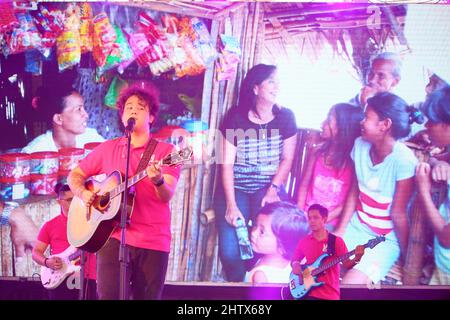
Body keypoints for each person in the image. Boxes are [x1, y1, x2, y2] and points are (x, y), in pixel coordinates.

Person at [68, 81, 181, 300]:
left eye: (141, 107)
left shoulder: (167, 151)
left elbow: (166, 195)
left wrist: (157, 180)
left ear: (151, 117)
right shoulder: (108, 148)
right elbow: (75, 176)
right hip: (113, 236)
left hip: (152, 239)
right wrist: (84, 194)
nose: (134, 110)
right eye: (129, 107)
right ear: (122, 117)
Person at [215, 64, 298, 282]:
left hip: (267, 187)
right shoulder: (235, 118)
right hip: (236, 189)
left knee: (276, 240)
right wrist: (231, 205)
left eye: (277, 81)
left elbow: (287, 159)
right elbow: (226, 165)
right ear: (255, 88)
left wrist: (273, 190)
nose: (276, 86)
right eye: (271, 81)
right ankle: (238, 288)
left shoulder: (286, 117)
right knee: (230, 252)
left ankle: (268, 282)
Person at [334, 92, 425, 285]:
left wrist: (406, 253)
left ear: (384, 125)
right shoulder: (359, 145)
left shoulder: (403, 161)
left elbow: (398, 214)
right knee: (313, 268)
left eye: (367, 117)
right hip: (355, 227)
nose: (362, 121)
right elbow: (354, 191)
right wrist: (340, 230)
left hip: (383, 241)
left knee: (349, 287)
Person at [297, 103, 363, 230]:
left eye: (329, 120)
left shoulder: (353, 162)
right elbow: (304, 184)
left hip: (330, 221)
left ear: (342, 127)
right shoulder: (317, 152)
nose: (323, 124)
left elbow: (347, 202)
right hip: (305, 214)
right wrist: (299, 213)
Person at [31, 183, 97, 300]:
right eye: (70, 200)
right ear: (59, 202)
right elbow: (36, 252)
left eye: (77, 198)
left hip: (88, 276)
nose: (75, 202)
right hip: (59, 277)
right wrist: (47, 262)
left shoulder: (91, 221)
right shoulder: (50, 225)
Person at [291, 204, 364, 300]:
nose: (312, 221)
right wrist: (296, 265)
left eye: (316, 217)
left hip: (330, 295)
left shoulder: (336, 241)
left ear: (324, 219)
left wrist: (357, 258)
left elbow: (347, 265)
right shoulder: (304, 241)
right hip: (308, 294)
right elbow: (295, 259)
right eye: (309, 218)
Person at [415, 86, 450, 285]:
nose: (426, 125)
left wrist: (423, 191)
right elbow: (438, 158)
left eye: (432, 121)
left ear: (448, 125)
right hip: (443, 263)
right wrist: (438, 163)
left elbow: (446, 237)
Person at [22, 85, 104, 153]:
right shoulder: (35, 151)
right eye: (78, 109)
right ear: (58, 118)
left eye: (83, 108)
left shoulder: (92, 138)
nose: (86, 115)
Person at [245, 201, 308, 284]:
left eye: (262, 232)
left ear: (282, 247)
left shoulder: (260, 277)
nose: (253, 233)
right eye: (255, 225)